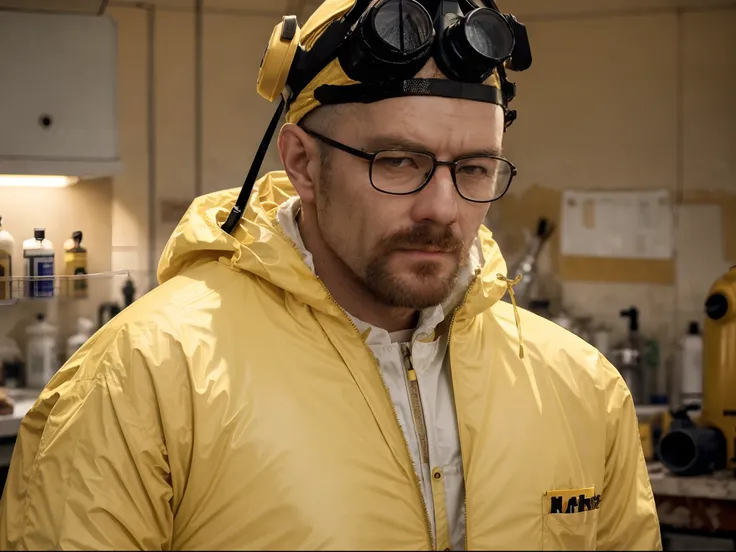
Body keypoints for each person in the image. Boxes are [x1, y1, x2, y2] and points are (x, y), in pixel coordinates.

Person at [0, 0, 662, 549]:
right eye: (399, 162)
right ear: (304, 163)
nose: (443, 209)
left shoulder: (583, 392)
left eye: (475, 170)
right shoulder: (140, 383)